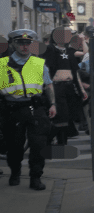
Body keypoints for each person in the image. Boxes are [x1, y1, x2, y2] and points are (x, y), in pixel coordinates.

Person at [0, 30, 57, 189]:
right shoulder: (2, 64)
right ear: (13, 44)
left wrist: (52, 104)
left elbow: (48, 85)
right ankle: (15, 172)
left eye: (28, 43)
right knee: (14, 147)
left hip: (36, 109)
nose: (24, 47)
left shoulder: (39, 63)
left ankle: (35, 177)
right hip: (12, 110)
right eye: (20, 43)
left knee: (39, 145)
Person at [41, 28, 88, 146]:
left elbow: (76, 72)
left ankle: (61, 142)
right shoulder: (50, 49)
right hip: (56, 87)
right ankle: (48, 140)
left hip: (70, 87)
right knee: (62, 116)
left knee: (68, 117)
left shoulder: (70, 51)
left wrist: (81, 90)